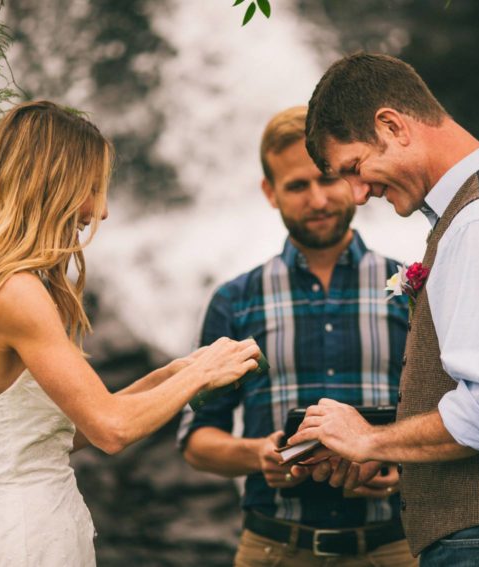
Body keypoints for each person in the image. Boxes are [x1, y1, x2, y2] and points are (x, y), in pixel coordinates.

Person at [0, 100, 260, 566]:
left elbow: (62, 432)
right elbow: (111, 429)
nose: (102, 211)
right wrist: (202, 372)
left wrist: (175, 374)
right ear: (50, 183)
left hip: (10, 534)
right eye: (91, 188)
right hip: (32, 542)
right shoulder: (17, 292)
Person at [287, 53, 479, 566]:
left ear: (392, 125)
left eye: (355, 168)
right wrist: (389, 452)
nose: (357, 194)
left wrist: (370, 438)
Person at [178, 106, 417, 566]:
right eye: (297, 186)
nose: (318, 199)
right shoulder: (234, 301)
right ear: (270, 192)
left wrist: (398, 463)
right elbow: (197, 438)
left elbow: (454, 418)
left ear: (350, 175)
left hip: (393, 548)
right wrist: (257, 454)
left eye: (326, 179)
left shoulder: (408, 290)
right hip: (274, 551)